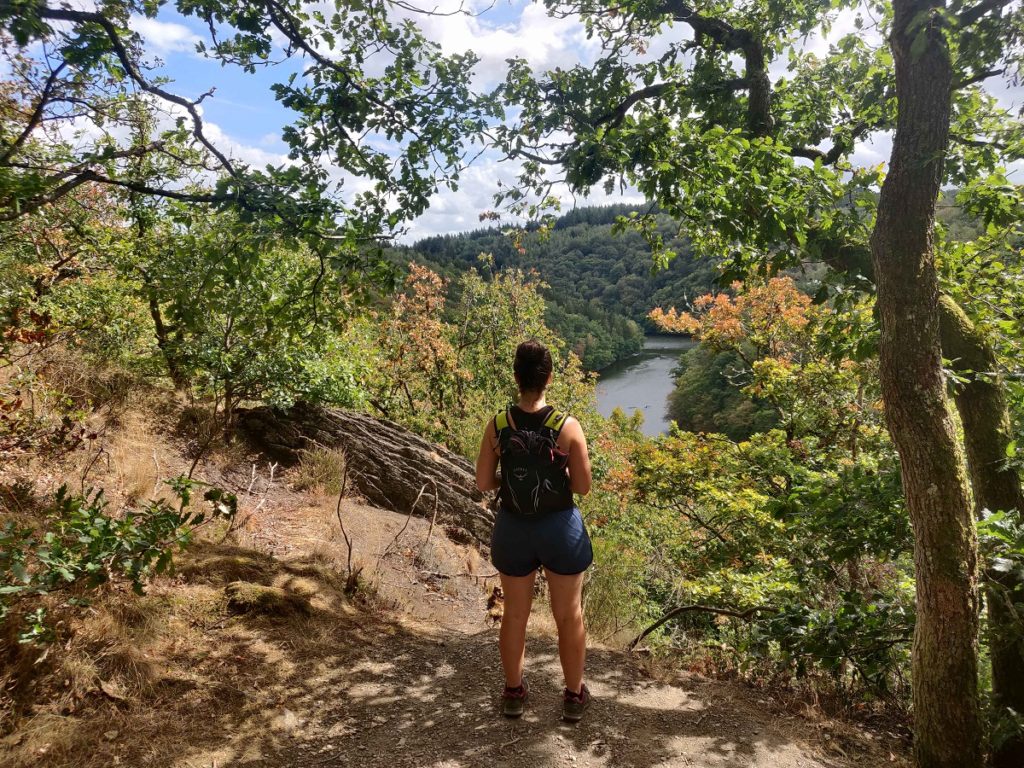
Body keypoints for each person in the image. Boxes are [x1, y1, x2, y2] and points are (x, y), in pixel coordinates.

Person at [475, 339, 594, 722]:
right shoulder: (568, 427)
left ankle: (513, 693)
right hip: (560, 529)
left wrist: (508, 479)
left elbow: (482, 482)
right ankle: (573, 697)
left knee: (514, 616)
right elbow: (582, 487)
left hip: (513, 528)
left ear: (516, 377)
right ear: (549, 378)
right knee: (569, 615)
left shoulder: (497, 425)